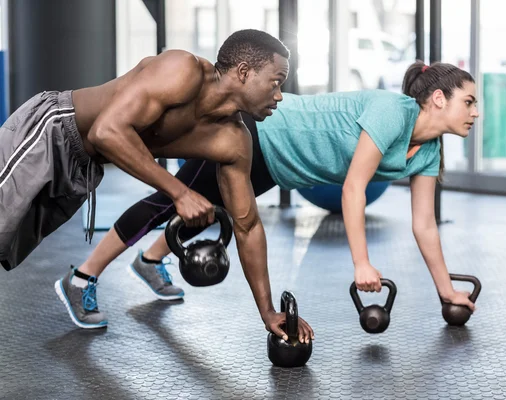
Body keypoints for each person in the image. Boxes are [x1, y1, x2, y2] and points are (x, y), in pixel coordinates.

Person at [67, 60, 478, 340]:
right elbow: (354, 187)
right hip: (263, 130)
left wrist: (446, 292)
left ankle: (151, 260)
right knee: (171, 201)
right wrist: (361, 262)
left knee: (215, 209)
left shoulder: (428, 150)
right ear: (438, 98)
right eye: (469, 101)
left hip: (280, 166)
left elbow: (424, 223)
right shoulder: (394, 111)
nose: (475, 112)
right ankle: (82, 277)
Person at [0, 28, 315, 339]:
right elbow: (106, 132)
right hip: (51, 129)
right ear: (244, 72)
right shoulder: (182, 70)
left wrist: (268, 312)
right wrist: (180, 192)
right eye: (276, 82)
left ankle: (77, 282)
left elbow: (247, 227)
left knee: (7, 244)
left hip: (84, 166)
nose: (279, 96)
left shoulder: (234, 141)